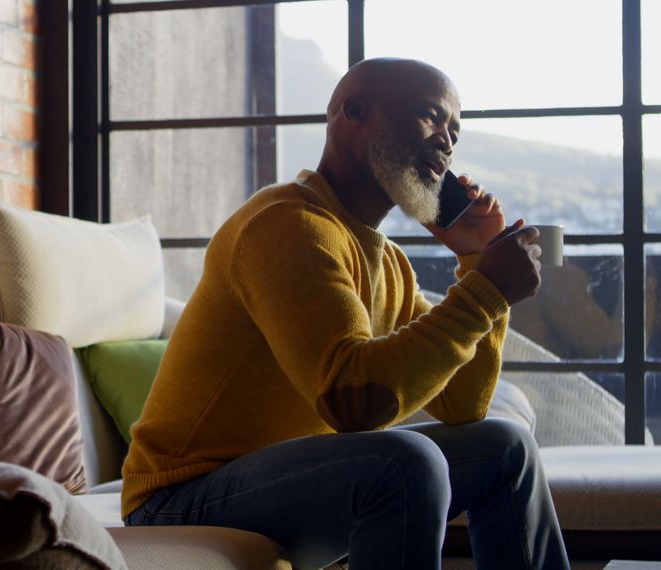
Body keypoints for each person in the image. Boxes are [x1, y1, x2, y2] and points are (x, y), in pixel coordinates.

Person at [121, 58, 570, 570]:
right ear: (353, 114)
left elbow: (463, 406)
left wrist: (474, 266)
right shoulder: (287, 224)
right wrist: (485, 293)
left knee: (504, 446)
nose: (446, 141)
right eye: (430, 117)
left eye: (455, 132)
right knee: (406, 464)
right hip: (178, 500)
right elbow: (352, 401)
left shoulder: (388, 261)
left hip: (286, 481)